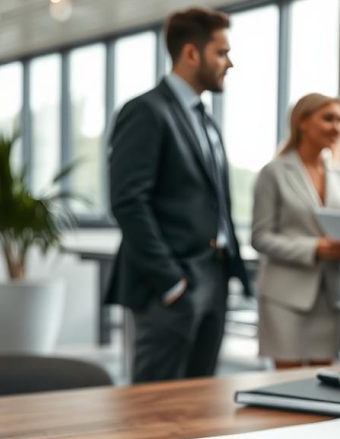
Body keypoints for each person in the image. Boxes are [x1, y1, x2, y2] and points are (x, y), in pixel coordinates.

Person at [106, 7, 250, 382]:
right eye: (221, 52)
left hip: (215, 278)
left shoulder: (205, 119)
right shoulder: (145, 112)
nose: (229, 63)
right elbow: (128, 202)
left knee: (200, 402)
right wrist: (171, 282)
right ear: (191, 53)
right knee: (155, 410)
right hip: (171, 286)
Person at [252, 93, 340, 368]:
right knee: (286, 381)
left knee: (323, 381)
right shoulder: (273, 173)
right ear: (302, 122)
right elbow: (260, 237)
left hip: (330, 292)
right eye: (328, 118)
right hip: (284, 294)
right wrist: (315, 248)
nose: (336, 127)